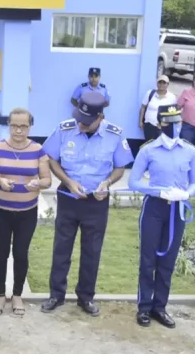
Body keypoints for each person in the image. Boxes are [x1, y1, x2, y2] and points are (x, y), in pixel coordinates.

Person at [41, 91, 134, 316]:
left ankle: (86, 297)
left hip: (96, 201)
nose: (80, 124)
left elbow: (120, 167)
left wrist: (108, 183)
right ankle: (56, 294)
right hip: (68, 197)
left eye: (86, 122)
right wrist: (68, 181)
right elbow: (51, 158)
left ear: (100, 118)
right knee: (61, 247)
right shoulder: (65, 129)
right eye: (79, 119)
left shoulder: (115, 134)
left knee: (92, 251)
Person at [128, 104, 195, 328]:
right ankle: (144, 307)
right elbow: (133, 181)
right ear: (160, 124)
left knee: (167, 261)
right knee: (148, 259)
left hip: (177, 209)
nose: (175, 126)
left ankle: (160, 307)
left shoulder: (189, 150)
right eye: (170, 122)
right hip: (154, 208)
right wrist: (157, 190)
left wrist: (187, 192)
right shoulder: (149, 150)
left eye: (178, 121)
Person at [0, 108, 51, 316]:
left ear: (30, 127)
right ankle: (0, 294)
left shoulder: (38, 150)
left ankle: (17, 295)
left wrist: (38, 183)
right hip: (0, 211)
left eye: (23, 126)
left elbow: (47, 180)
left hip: (27, 211)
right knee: (0, 253)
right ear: (8, 125)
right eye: (14, 126)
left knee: (20, 253)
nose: (18, 130)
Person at [139, 75, 176, 141]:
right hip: (149, 125)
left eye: (164, 82)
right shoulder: (150, 93)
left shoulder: (172, 97)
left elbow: (173, 114)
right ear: (157, 83)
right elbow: (143, 107)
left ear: (168, 84)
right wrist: (140, 122)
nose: (161, 84)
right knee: (149, 146)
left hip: (164, 128)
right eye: (160, 82)